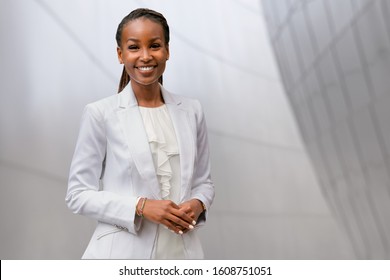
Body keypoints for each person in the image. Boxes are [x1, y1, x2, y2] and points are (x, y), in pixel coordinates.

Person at [65, 8, 214, 259]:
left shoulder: (192, 110)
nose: (145, 56)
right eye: (134, 48)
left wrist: (198, 203)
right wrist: (141, 207)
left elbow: (203, 182)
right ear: (120, 54)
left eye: (154, 46)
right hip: (122, 256)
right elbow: (77, 195)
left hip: (183, 254)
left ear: (167, 50)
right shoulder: (100, 113)